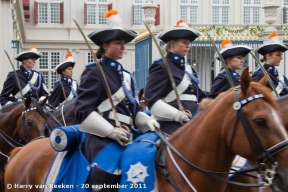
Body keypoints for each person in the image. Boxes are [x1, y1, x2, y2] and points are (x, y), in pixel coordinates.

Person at [74, 9, 159, 191]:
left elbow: (134, 110)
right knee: (108, 178)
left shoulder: (127, 76)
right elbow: (82, 109)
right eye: (118, 43)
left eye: (124, 43)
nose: (123, 47)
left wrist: (148, 120)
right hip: (101, 139)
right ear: (105, 45)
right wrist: (110, 131)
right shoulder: (94, 71)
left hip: (128, 135)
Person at [145, 19, 206, 135]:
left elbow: (199, 96)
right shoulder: (161, 66)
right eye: (184, 42)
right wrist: (177, 115)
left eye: (189, 43)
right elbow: (151, 99)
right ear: (172, 44)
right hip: (172, 122)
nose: (188, 46)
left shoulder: (189, 69)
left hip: (195, 119)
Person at [252, 32, 288, 97]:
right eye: (278, 55)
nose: (281, 57)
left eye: (281, 55)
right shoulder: (260, 74)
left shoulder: (281, 77)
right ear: (268, 56)